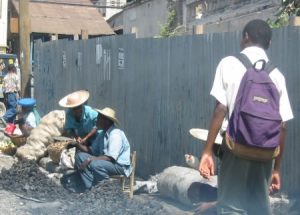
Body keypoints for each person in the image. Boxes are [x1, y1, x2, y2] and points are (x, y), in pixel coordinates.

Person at [198, 19, 293, 215]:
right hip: (265, 154)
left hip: (236, 148)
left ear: (246, 37)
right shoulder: (278, 76)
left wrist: (207, 151)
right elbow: (282, 126)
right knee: (259, 207)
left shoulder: (229, 64)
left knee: (231, 208)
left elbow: (220, 109)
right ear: (270, 43)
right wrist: (276, 168)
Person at [67, 107, 132, 190]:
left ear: (106, 121)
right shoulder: (102, 134)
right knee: (79, 157)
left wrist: (90, 159)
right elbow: (91, 150)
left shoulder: (115, 134)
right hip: (107, 162)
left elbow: (110, 157)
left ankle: (107, 188)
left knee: (95, 164)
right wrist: (77, 145)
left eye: (99, 118)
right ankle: (91, 188)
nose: (96, 120)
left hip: (119, 166)